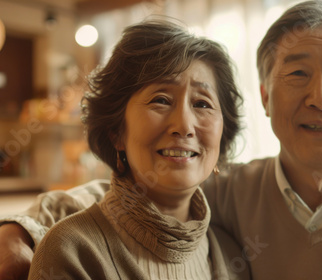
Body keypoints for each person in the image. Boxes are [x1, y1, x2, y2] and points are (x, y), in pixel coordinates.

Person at [0, 1, 322, 279]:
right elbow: (125, 197)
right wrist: (17, 230)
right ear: (266, 96)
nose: (320, 97)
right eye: (298, 74)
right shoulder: (229, 191)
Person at [26, 19, 246, 279]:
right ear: (117, 132)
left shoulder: (232, 255)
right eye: (161, 100)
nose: (184, 126)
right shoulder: (73, 251)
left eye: (202, 103)